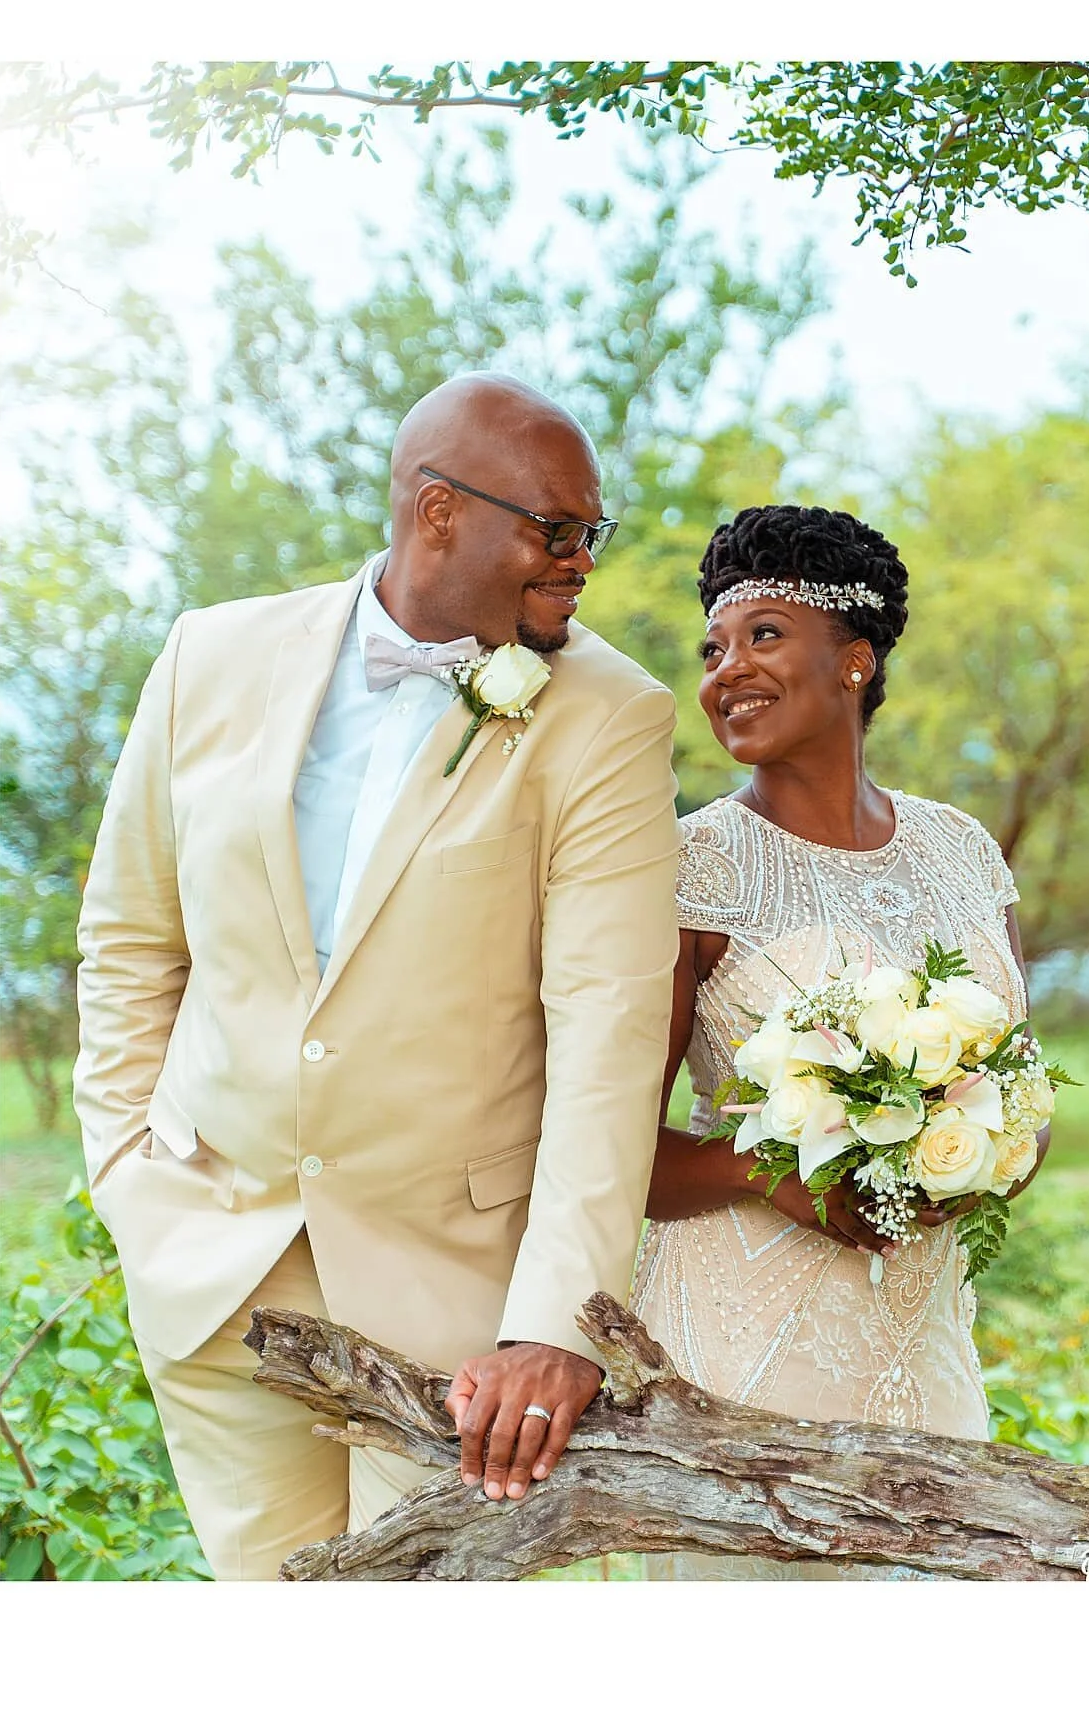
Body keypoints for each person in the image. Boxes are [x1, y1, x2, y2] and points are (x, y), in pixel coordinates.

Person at [74, 373, 681, 1580]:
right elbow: (132, 935)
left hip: (461, 1317)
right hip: (215, 1269)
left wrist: (556, 1322)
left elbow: (609, 1033)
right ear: (439, 511)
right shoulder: (208, 657)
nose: (581, 563)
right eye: (556, 530)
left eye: (591, 532)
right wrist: (128, 1172)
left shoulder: (611, 714)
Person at [629, 503, 1050, 1580]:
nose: (727, 671)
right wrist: (767, 1174)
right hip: (747, 1356)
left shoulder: (962, 849)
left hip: (926, 1337)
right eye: (713, 651)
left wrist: (973, 1161)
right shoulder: (688, 868)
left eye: (764, 636)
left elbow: (1026, 1091)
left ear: (854, 661)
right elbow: (607, 1144)